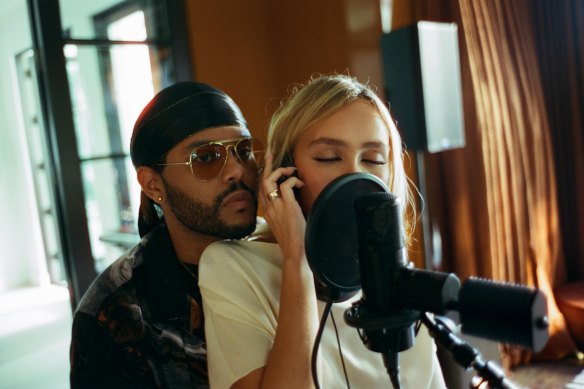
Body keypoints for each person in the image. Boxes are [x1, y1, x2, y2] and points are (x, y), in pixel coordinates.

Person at [199, 74, 447, 388]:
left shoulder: (398, 282)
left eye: (373, 159)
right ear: (283, 172)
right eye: (328, 157)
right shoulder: (232, 267)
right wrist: (297, 260)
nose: (355, 176)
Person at [69, 81, 263, 388]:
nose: (237, 171)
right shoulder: (114, 312)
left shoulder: (285, 249)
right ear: (153, 185)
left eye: (243, 151)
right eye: (205, 157)